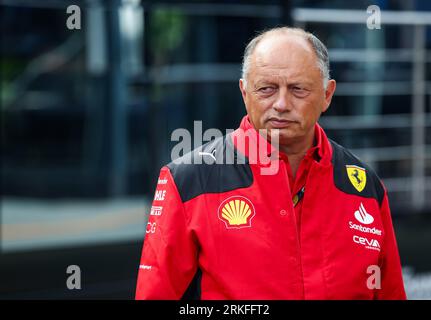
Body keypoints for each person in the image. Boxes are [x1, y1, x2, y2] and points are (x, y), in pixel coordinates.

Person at [135, 27, 407, 300]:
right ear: (244, 93)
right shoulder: (188, 181)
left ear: (327, 95)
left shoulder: (364, 186)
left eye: (298, 89)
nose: (281, 104)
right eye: (266, 89)